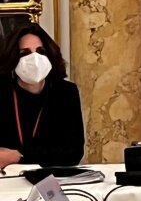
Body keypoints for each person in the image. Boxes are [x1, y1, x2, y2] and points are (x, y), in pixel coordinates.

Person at [0, 24, 84, 168]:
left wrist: (18, 156)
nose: (35, 59)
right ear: (13, 58)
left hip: (51, 176)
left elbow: (73, 153)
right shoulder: (2, 92)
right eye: (24, 53)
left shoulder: (66, 92)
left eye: (41, 51)